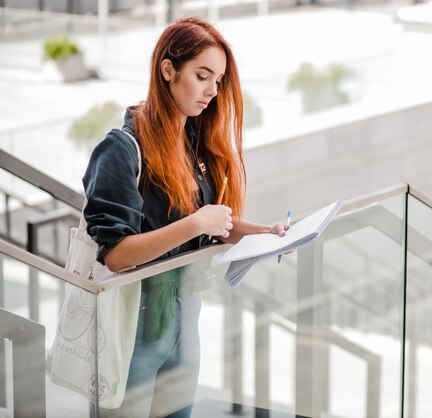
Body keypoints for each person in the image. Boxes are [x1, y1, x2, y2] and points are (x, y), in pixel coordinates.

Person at [82, 16, 289, 417]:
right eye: (202, 75)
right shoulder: (121, 150)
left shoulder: (195, 145)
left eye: (219, 80)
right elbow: (117, 254)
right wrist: (195, 224)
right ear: (167, 70)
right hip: (133, 331)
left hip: (184, 326)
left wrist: (265, 232)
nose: (213, 91)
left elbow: (214, 222)